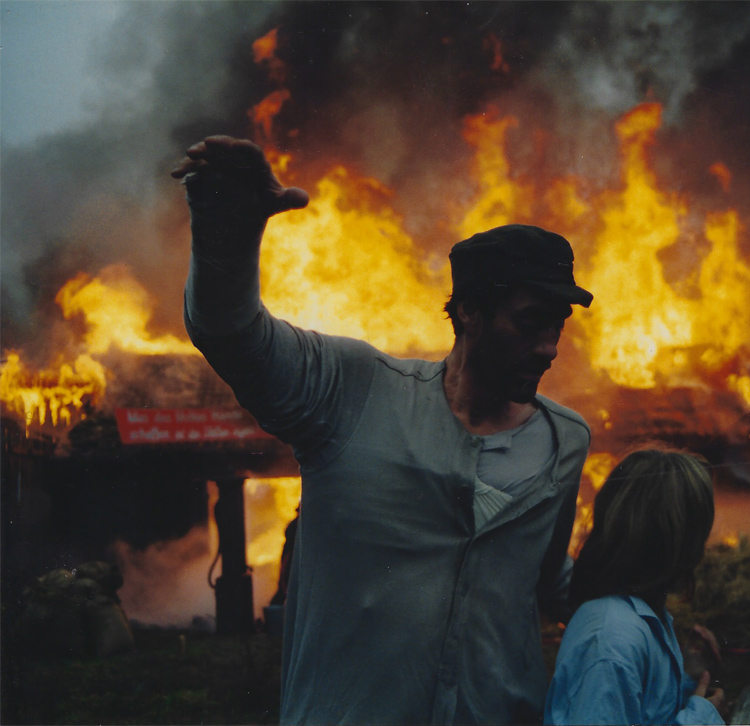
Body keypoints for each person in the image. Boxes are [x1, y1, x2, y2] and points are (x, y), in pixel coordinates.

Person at [171, 136, 593, 724]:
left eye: (558, 324)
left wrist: (647, 616)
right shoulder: (352, 390)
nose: (549, 347)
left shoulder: (564, 442)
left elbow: (550, 582)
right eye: (529, 322)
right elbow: (232, 335)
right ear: (468, 310)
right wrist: (225, 236)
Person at [544, 448, 726, 725]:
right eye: (699, 531)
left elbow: (642, 710)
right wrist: (701, 718)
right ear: (675, 540)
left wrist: (687, 678)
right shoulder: (611, 639)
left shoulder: (636, 615)